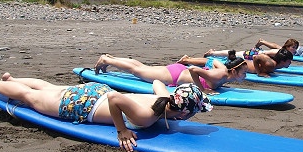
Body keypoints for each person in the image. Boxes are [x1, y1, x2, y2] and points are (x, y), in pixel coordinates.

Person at [0, 73, 212, 152]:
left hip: (95, 90)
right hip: (84, 104)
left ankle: (11, 79)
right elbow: (114, 99)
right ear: (182, 114)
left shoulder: (163, 96)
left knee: (50, 88)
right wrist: (122, 130)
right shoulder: (145, 116)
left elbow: (159, 81)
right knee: (32, 98)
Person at [93, 53, 248, 94]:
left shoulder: (222, 71)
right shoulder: (220, 76)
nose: (245, 76)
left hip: (177, 71)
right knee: (137, 70)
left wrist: (189, 60)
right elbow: (194, 70)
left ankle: (111, 59)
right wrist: (203, 89)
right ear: (234, 71)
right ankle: (106, 60)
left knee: (142, 67)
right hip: (174, 76)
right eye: (244, 72)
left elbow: (213, 60)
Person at [180, 47, 294, 77]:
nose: (290, 64)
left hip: (241, 63)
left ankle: (189, 59)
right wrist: (260, 72)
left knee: (214, 61)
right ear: (283, 61)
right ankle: (187, 60)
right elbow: (256, 57)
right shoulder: (271, 65)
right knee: (211, 62)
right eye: (289, 61)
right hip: (240, 64)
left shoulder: (273, 65)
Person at [204, 38, 299, 59]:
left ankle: (214, 53)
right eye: (292, 47)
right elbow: (267, 53)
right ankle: (212, 53)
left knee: (236, 54)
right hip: (255, 54)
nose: (294, 49)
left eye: (295, 48)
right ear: (287, 47)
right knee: (235, 54)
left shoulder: (285, 52)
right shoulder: (279, 51)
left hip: (257, 52)